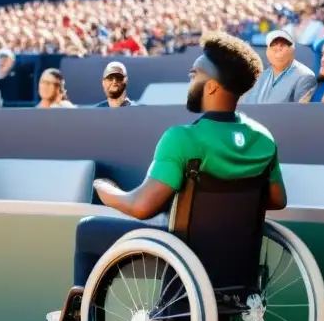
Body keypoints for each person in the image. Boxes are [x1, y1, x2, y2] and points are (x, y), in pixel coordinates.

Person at [69, 32, 286, 294]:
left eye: (194, 74)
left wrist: (106, 190)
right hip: (237, 266)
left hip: (184, 257)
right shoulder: (264, 139)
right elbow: (276, 200)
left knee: (88, 229)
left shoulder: (182, 138)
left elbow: (141, 206)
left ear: (212, 86)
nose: (189, 81)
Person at [241, 30, 316, 104]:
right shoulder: (262, 76)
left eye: (283, 45)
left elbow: (300, 113)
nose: (278, 49)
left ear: (292, 50)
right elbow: (247, 102)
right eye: (273, 45)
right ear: (267, 52)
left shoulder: (305, 77)